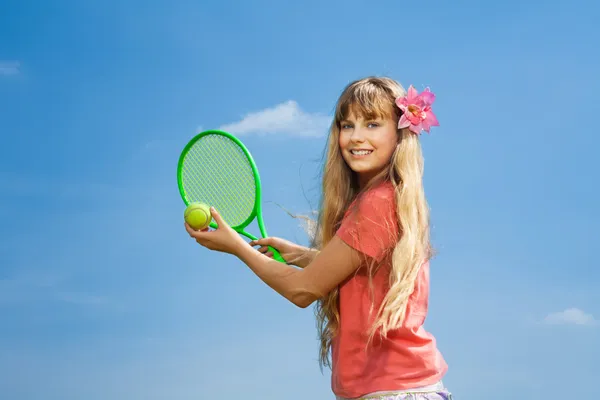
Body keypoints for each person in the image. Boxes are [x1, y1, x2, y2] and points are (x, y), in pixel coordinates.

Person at [185, 76, 453, 400]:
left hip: (394, 392)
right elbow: (362, 269)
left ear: (399, 133)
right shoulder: (391, 196)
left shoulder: (376, 203)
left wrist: (237, 247)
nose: (355, 137)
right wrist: (300, 254)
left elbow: (302, 290)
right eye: (346, 125)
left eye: (372, 124)